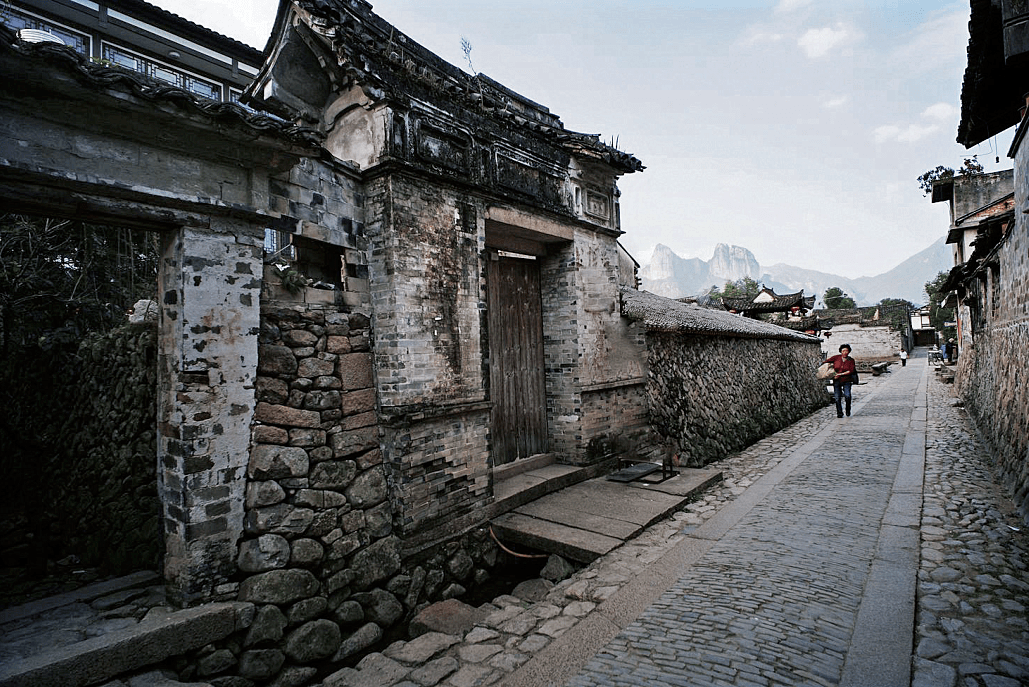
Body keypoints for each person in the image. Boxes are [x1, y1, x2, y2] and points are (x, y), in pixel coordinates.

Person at [825, 343, 857, 418]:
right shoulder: (836, 358)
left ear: (849, 352)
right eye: (843, 351)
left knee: (847, 396)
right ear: (840, 351)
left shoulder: (851, 360)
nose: (845, 352)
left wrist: (840, 374)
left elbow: (850, 370)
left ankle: (848, 409)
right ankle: (839, 413)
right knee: (837, 397)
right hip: (836, 381)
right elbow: (826, 362)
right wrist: (831, 373)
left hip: (847, 380)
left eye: (846, 351)